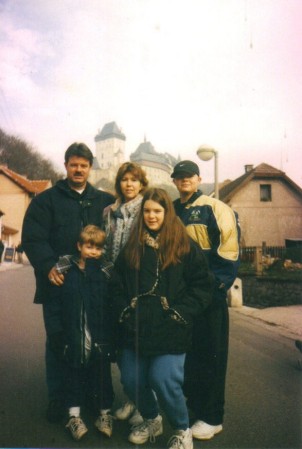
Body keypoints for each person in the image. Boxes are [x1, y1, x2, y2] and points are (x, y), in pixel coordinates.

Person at [113, 188, 213, 449]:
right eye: (147, 211)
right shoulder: (132, 246)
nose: (151, 216)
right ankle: (151, 418)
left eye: (157, 211)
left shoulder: (183, 245)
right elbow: (117, 285)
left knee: (163, 378)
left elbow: (202, 286)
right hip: (137, 327)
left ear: (167, 212)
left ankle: (182, 429)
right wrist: (125, 310)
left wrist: (178, 313)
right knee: (132, 379)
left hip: (170, 328)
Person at [21, 142, 114, 422]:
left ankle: (92, 398)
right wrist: (48, 265)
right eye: (73, 164)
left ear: (90, 168)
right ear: (65, 166)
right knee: (60, 341)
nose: (78, 169)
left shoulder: (104, 200)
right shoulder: (45, 201)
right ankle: (59, 399)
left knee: (94, 341)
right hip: (58, 284)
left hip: (94, 287)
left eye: (83, 165)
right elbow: (33, 238)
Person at [172, 160, 240, 440]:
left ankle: (213, 417)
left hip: (209, 297)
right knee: (188, 356)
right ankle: (194, 408)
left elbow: (229, 251)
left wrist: (215, 288)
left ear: (199, 179)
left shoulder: (217, 208)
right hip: (182, 297)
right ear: (174, 181)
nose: (185, 180)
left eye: (190, 176)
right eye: (180, 177)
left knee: (211, 356)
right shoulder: (172, 211)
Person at [44, 225, 115, 441]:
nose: (93, 251)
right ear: (79, 246)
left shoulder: (105, 272)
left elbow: (111, 306)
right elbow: (54, 304)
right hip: (73, 334)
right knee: (72, 374)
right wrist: (56, 333)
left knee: (101, 375)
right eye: (89, 246)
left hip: (98, 336)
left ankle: (104, 414)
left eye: (98, 248)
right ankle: (73, 416)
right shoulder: (66, 270)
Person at [102, 161, 148, 425]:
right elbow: (106, 249)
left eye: (134, 179)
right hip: (114, 286)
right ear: (118, 183)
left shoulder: (147, 209)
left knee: (141, 347)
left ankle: (145, 405)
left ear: (142, 183)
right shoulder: (109, 211)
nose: (129, 184)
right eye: (124, 179)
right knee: (122, 349)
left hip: (139, 284)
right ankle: (131, 398)